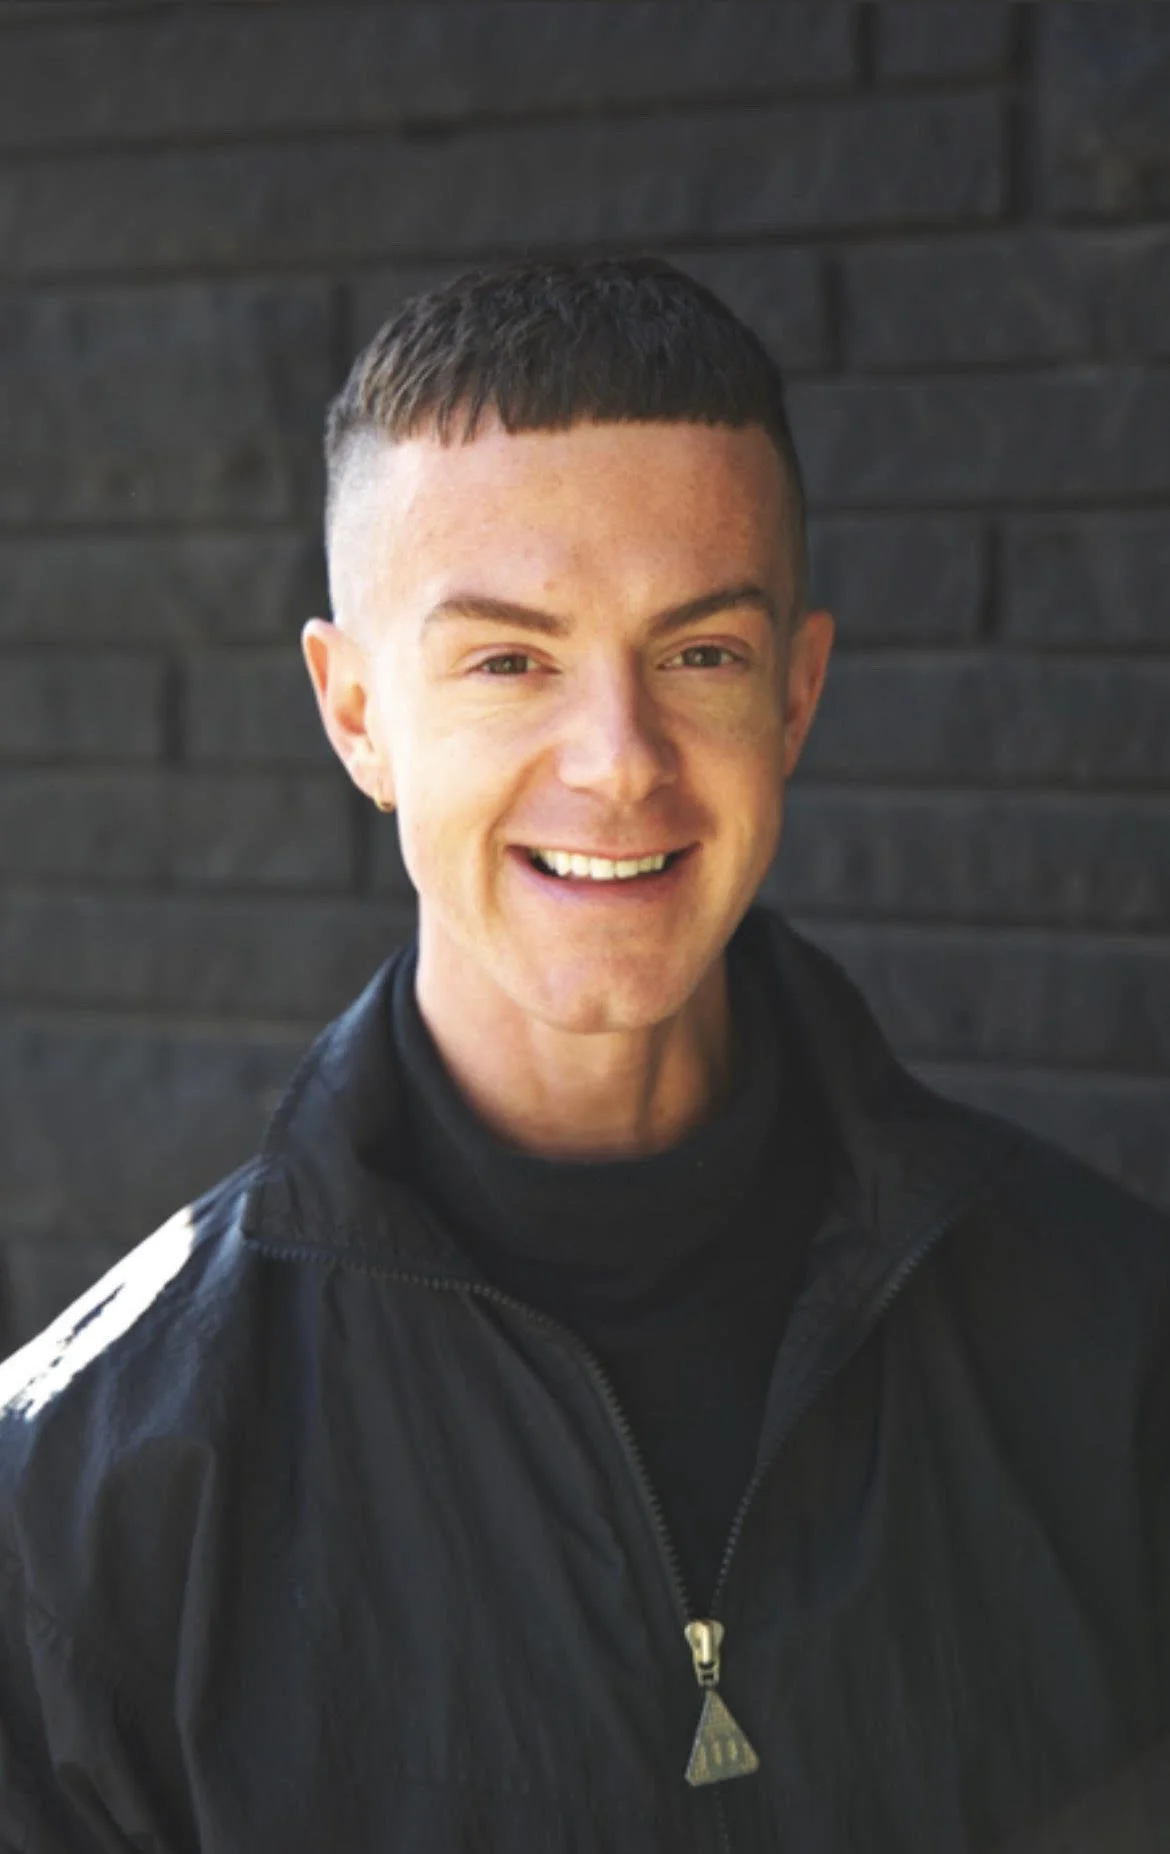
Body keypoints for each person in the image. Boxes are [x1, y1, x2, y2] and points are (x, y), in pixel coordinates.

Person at [0, 256, 1167, 1854]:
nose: (619, 763)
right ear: (354, 713)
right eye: (508, 660)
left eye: (699, 654)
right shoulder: (77, 1495)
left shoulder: (1113, 1339)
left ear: (797, 693)